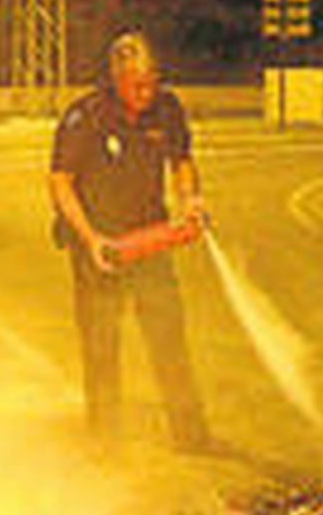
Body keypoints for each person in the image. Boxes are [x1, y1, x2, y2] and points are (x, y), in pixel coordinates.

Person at [48, 31, 215, 451]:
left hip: (149, 239)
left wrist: (190, 200)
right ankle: (107, 439)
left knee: (168, 337)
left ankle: (190, 436)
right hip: (99, 248)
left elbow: (181, 161)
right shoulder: (85, 116)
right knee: (102, 343)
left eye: (151, 81)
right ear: (115, 78)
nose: (145, 92)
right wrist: (90, 239)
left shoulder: (168, 108)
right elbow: (60, 181)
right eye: (135, 84)